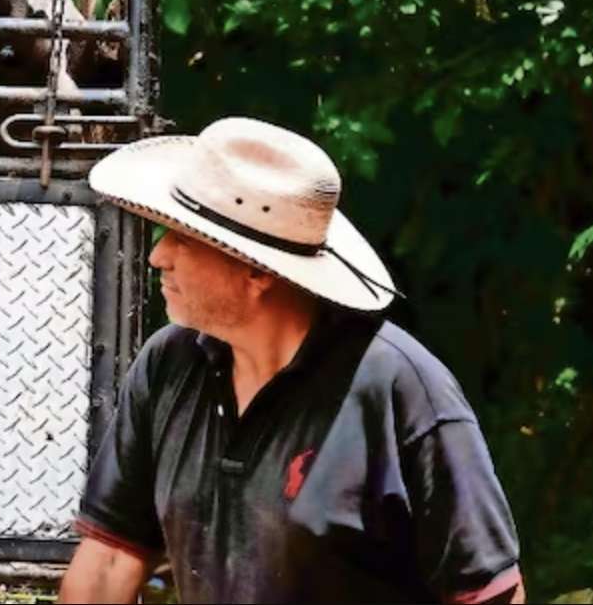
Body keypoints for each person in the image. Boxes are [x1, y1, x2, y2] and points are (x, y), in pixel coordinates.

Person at [58, 117, 525, 604]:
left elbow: (489, 596)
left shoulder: (402, 390)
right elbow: (109, 562)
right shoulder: (168, 364)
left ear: (257, 271)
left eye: (185, 238)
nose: (159, 256)